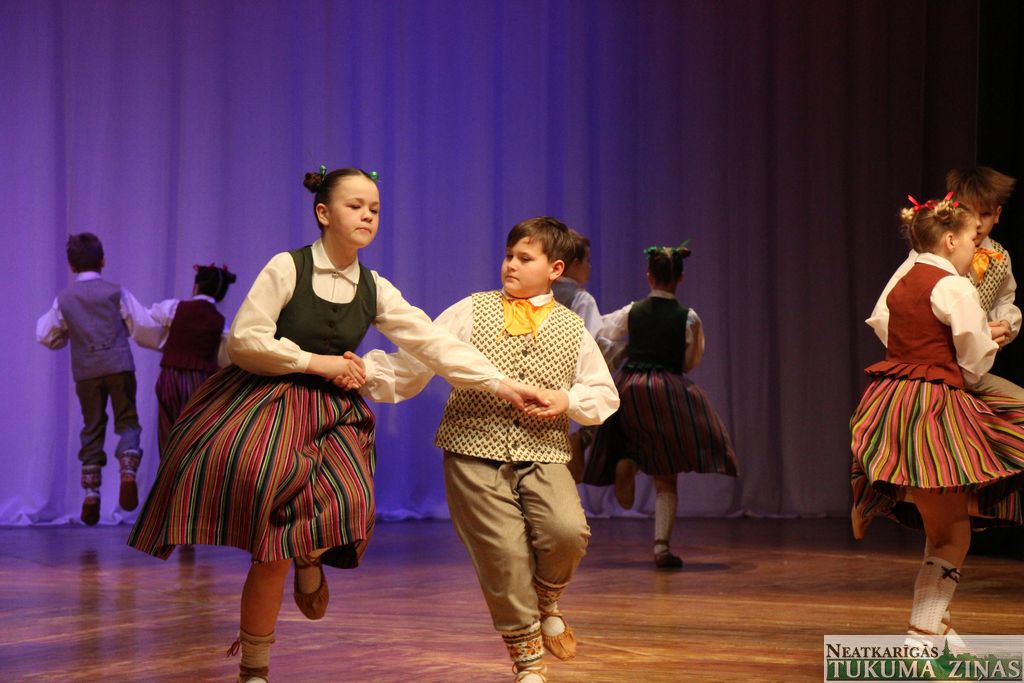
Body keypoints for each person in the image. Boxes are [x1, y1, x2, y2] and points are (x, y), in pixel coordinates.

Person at [127, 167, 542, 683]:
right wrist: (316, 362)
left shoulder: (373, 287)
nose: (368, 216)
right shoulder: (288, 267)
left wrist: (500, 383)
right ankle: (254, 668)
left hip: (333, 413)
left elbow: (433, 343)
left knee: (351, 505)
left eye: (375, 209)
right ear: (324, 213)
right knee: (271, 538)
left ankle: (311, 554)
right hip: (270, 401)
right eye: (355, 206)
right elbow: (247, 341)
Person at [361, 216, 619, 683]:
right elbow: (423, 357)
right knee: (504, 554)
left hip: (543, 450)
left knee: (567, 532)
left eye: (525, 258)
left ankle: (546, 599)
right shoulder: (472, 310)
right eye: (508, 256)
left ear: (555, 269)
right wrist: (366, 374)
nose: (510, 266)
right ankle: (528, 659)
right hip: (472, 448)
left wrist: (567, 400)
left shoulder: (571, 327)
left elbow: (603, 392)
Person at [850, 193, 1024, 639]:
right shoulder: (955, 285)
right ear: (950, 240)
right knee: (953, 534)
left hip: (891, 399)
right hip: (933, 408)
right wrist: (983, 344)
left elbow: (883, 322)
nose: (973, 249)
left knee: (944, 515)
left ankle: (938, 629)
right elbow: (974, 356)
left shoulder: (904, 278)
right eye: (970, 240)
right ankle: (923, 634)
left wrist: (921, 348)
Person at [582, 243, 738, 569]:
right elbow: (691, 358)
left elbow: (602, 331)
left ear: (649, 276)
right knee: (666, 470)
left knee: (628, 440)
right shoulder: (688, 318)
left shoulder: (633, 311)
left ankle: (629, 463)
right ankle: (661, 547)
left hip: (630, 387)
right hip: (667, 390)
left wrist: (626, 352)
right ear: (680, 278)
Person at [868, 167, 1022, 401]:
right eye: (969, 213)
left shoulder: (1000, 257)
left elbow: (1004, 299)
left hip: (970, 368)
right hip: (936, 373)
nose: (978, 224)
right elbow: (885, 314)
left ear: (997, 214)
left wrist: (1002, 325)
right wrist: (927, 352)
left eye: (985, 214)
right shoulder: (926, 258)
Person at [36, 232, 158, 525]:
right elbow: (141, 324)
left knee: (92, 426)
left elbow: (46, 334)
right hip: (118, 365)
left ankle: (91, 493)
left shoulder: (64, 299)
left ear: (71, 265)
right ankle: (127, 470)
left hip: (86, 371)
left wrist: (67, 335)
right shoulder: (116, 292)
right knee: (127, 419)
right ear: (103, 260)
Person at [142, 263, 236, 458]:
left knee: (168, 434)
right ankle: (188, 474)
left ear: (196, 286)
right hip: (198, 383)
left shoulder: (175, 308)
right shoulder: (220, 322)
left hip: (169, 377)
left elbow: (148, 319)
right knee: (193, 435)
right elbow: (227, 356)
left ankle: (168, 474)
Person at [551, 228, 619, 481]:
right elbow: (589, 344)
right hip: (566, 386)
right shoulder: (582, 299)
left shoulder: (539, 293)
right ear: (575, 263)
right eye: (587, 261)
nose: (590, 267)